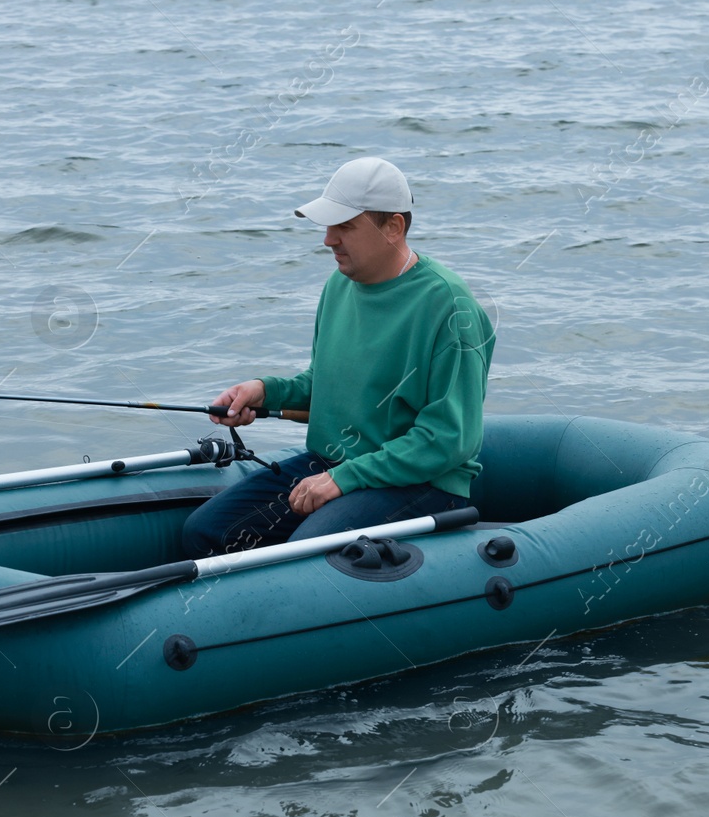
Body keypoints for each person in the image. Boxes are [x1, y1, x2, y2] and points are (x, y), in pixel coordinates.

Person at [181, 156, 496, 559]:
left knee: (302, 556)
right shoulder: (339, 285)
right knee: (205, 531)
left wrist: (344, 478)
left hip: (422, 486)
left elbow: (448, 440)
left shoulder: (451, 308)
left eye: (345, 226)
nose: (329, 239)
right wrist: (265, 393)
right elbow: (327, 385)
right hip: (332, 464)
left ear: (393, 228)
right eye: (329, 226)